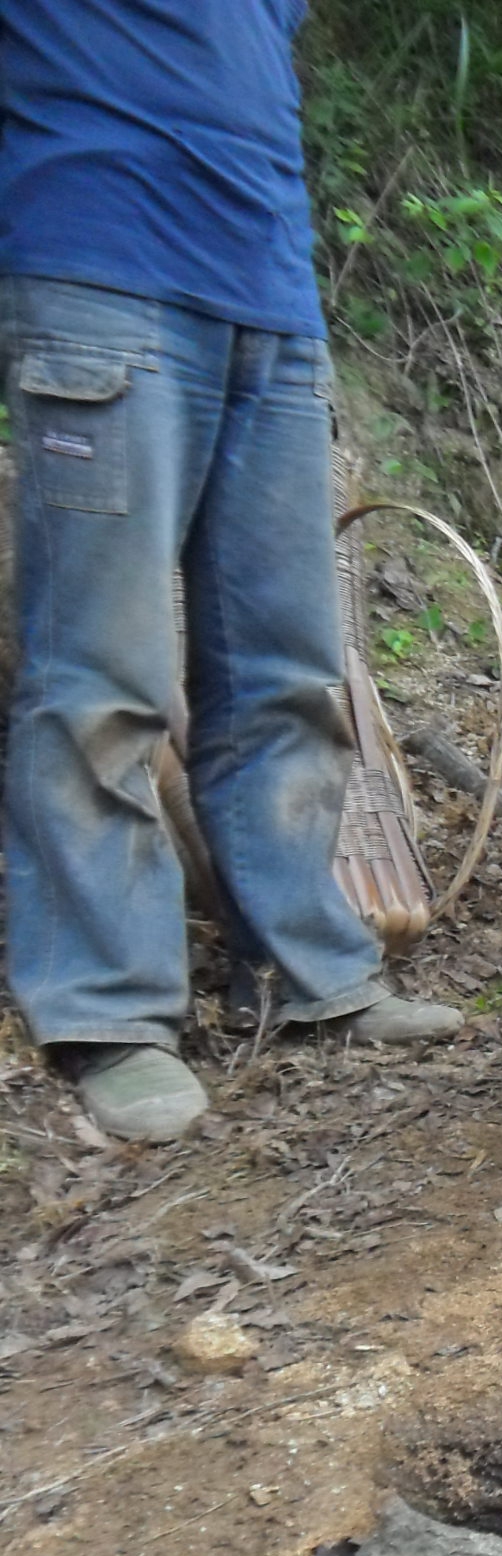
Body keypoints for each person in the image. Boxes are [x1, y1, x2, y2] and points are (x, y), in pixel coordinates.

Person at [1, 0, 459, 1145]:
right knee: (101, 672)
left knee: (287, 665)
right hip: (96, 267)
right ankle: (107, 1010)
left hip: (269, 290)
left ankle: (309, 971)